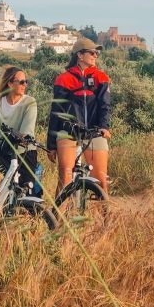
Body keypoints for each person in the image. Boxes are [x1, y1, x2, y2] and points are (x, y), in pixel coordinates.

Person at [47, 38, 111, 193]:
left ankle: (106, 218)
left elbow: (105, 105)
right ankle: (58, 216)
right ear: (80, 55)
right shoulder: (63, 79)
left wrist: (104, 126)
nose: (96, 55)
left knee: (101, 181)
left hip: (94, 130)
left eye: (97, 53)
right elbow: (56, 112)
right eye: (92, 52)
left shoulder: (101, 77)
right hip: (68, 131)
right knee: (65, 178)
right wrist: (51, 144)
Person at [0, 65, 38, 187]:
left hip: (23, 151)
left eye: (26, 82)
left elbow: (27, 132)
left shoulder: (29, 103)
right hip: (3, 150)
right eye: (21, 82)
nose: (25, 85)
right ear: (10, 84)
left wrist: (20, 137)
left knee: (24, 187)